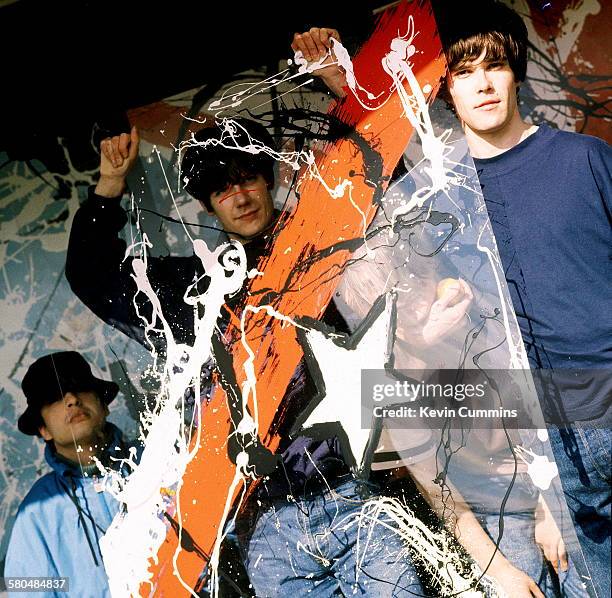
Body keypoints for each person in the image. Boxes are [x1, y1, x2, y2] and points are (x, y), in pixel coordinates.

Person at [431, 1, 611, 596]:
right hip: (554, 434)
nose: (482, 83)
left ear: (515, 72)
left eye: (494, 65)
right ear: (446, 89)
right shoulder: (446, 208)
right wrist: (543, 489)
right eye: (464, 71)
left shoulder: (586, 159)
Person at [4, 351, 136, 598]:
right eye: (54, 397)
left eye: (80, 387)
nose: (72, 399)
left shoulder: (160, 458)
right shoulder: (35, 515)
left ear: (104, 405)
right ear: (43, 429)